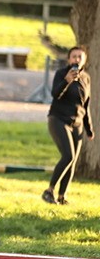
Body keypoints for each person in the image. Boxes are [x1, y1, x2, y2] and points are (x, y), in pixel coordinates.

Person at [43, 45, 93, 205]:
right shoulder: (61, 74)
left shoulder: (86, 78)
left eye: (80, 56)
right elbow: (55, 94)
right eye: (74, 56)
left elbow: (86, 105)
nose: (77, 59)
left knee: (73, 161)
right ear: (68, 59)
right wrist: (67, 81)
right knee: (68, 156)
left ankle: (61, 196)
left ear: (84, 59)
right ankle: (49, 191)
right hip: (58, 119)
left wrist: (89, 128)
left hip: (77, 123)